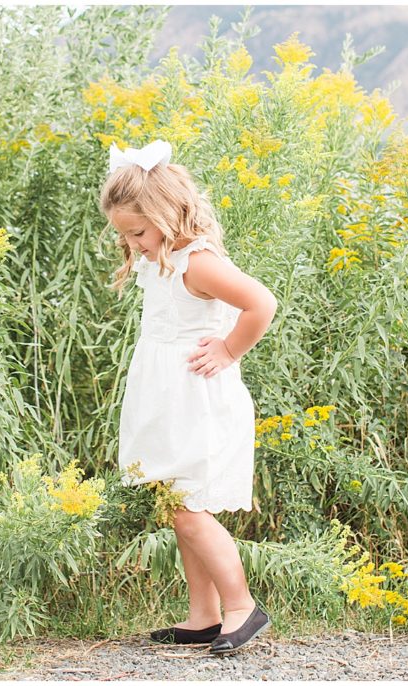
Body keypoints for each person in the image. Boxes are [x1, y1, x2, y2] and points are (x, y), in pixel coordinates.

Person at [100, 140, 277, 654]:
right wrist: (142, 247)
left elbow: (261, 303)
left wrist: (228, 348)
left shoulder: (196, 263)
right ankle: (203, 615)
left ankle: (241, 604)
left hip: (197, 399)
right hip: (166, 397)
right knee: (176, 501)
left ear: (166, 214)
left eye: (137, 231)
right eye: (124, 234)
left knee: (189, 509)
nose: (132, 242)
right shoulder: (163, 257)